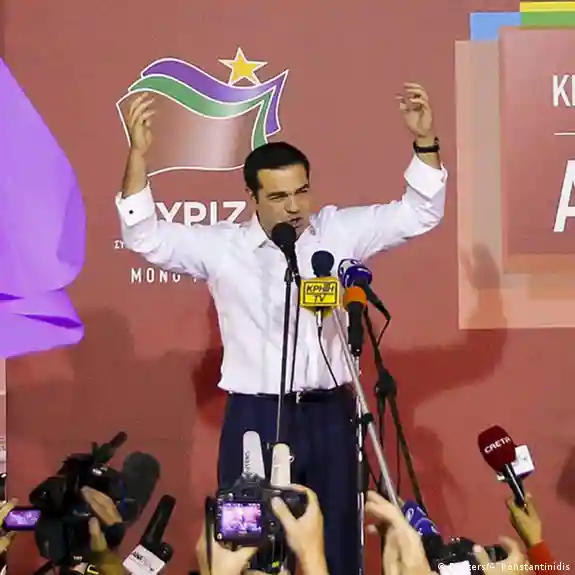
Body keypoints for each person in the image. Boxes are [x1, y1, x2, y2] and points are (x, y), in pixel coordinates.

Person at [116, 83, 447, 575]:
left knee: (338, 545)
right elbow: (143, 235)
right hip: (255, 414)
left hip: (332, 414)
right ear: (251, 197)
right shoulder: (222, 248)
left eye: (301, 192)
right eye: (278, 196)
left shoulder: (338, 233)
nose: (294, 207)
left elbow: (420, 212)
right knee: (247, 548)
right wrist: (138, 157)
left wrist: (425, 142)